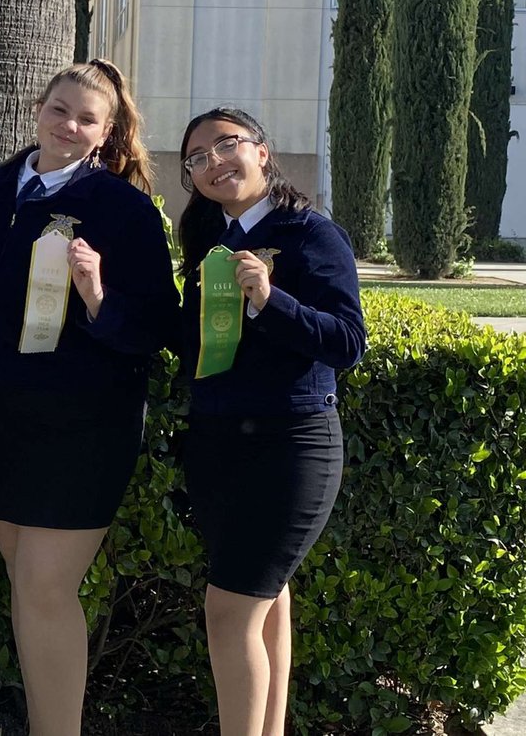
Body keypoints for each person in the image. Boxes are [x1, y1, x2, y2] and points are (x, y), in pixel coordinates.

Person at [0, 59, 180, 736]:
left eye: (87, 118)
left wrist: (98, 297)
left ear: (107, 132)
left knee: (47, 589)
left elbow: (156, 325)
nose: (69, 126)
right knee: (28, 590)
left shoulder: (123, 208)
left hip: (82, 428)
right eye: (60, 109)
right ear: (37, 107)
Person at [175, 108, 366, 736]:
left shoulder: (312, 234)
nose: (213, 162)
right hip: (218, 445)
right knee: (266, 602)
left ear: (262, 150)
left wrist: (271, 300)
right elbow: (191, 342)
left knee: (229, 611)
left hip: (291, 445)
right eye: (197, 157)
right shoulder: (206, 235)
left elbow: (347, 343)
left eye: (226, 144)